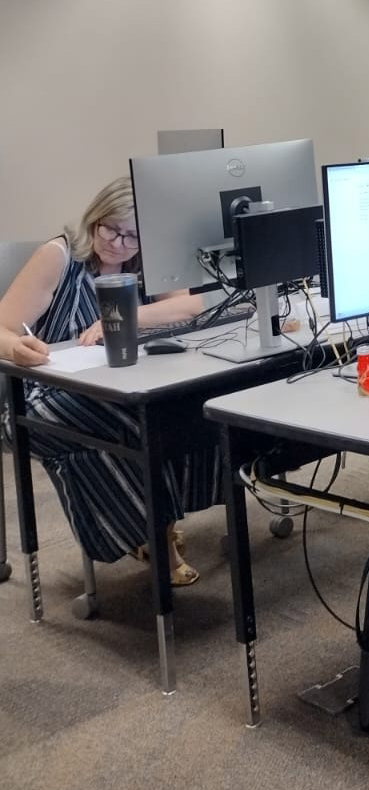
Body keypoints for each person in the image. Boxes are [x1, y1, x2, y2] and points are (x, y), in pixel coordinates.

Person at [0, 177, 221, 584]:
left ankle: (151, 528)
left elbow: (193, 305)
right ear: (94, 219)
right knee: (138, 426)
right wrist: (16, 349)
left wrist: (119, 319)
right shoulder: (60, 256)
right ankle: (159, 537)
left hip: (115, 391)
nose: (118, 244)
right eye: (110, 229)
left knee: (174, 410)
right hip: (39, 396)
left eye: (132, 236)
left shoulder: (146, 260)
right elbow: (2, 326)